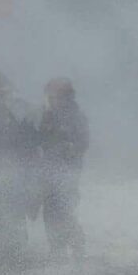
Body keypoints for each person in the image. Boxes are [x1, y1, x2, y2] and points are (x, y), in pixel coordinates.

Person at [38, 77, 89, 262]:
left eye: (54, 95)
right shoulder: (48, 115)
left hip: (67, 173)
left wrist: (69, 147)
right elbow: (41, 138)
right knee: (50, 211)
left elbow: (83, 143)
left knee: (64, 210)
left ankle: (76, 244)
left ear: (65, 96)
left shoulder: (76, 117)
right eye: (50, 96)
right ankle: (56, 250)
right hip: (49, 171)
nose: (51, 99)